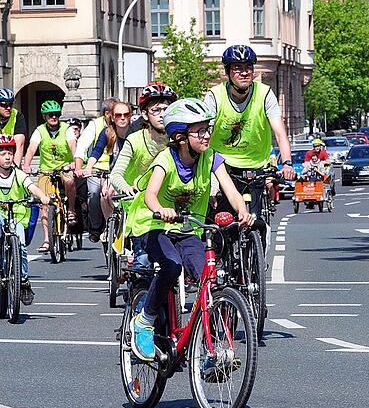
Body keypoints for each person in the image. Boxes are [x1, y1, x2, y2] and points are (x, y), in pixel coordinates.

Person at [126, 98, 254, 361]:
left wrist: (242, 211)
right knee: (171, 266)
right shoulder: (165, 159)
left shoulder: (211, 158)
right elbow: (150, 194)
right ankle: (145, 321)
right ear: (181, 137)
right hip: (154, 226)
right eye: (200, 131)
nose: (207, 135)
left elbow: (230, 190)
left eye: (207, 129)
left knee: (210, 277)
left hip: (188, 230)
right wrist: (161, 208)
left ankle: (210, 347)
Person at [204, 44, 295, 216]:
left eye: (248, 68)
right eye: (238, 69)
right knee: (220, 216)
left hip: (257, 163)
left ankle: (260, 237)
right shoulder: (214, 96)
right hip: (222, 164)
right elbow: (204, 132)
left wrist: (287, 163)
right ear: (228, 72)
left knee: (256, 217)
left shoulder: (265, 93)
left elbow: (280, 134)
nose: (244, 73)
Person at [110, 82, 177, 269]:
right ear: (145, 115)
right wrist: (125, 187)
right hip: (140, 208)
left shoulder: (180, 139)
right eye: (156, 110)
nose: (162, 114)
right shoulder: (134, 140)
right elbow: (116, 174)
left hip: (172, 207)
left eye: (166, 109)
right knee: (144, 262)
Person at [22, 100, 77, 254]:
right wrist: (26, 165)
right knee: (45, 203)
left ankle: (71, 209)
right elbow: (32, 148)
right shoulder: (39, 131)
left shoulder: (67, 129)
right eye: (50, 115)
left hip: (64, 166)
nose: (54, 117)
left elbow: (73, 145)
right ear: (44, 116)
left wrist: (75, 162)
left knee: (70, 180)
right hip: (46, 169)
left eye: (56, 114)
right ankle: (47, 239)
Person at [0, 136, 50, 305]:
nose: (7, 157)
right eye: (3, 153)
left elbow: (31, 186)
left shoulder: (18, 174)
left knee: (20, 245)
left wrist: (42, 195)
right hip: (0, 216)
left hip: (17, 218)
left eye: (10, 153)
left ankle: (24, 281)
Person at [84, 101, 132, 236]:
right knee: (105, 194)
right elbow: (97, 151)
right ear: (112, 117)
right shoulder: (107, 133)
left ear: (130, 116)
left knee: (114, 193)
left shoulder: (135, 132)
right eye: (118, 115)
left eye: (126, 114)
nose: (122, 118)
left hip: (132, 172)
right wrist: (89, 167)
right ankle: (110, 225)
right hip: (114, 172)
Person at [75, 97, 117, 242]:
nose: (120, 117)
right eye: (115, 113)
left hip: (117, 170)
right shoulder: (95, 125)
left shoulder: (124, 127)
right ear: (107, 113)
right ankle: (96, 228)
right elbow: (82, 146)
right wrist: (81, 167)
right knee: (94, 193)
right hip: (96, 169)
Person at [0, 88, 27, 166]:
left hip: (9, 157)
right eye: (4, 105)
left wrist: (15, 166)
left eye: (10, 104)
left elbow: (20, 144)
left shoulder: (17, 115)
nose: (8, 108)